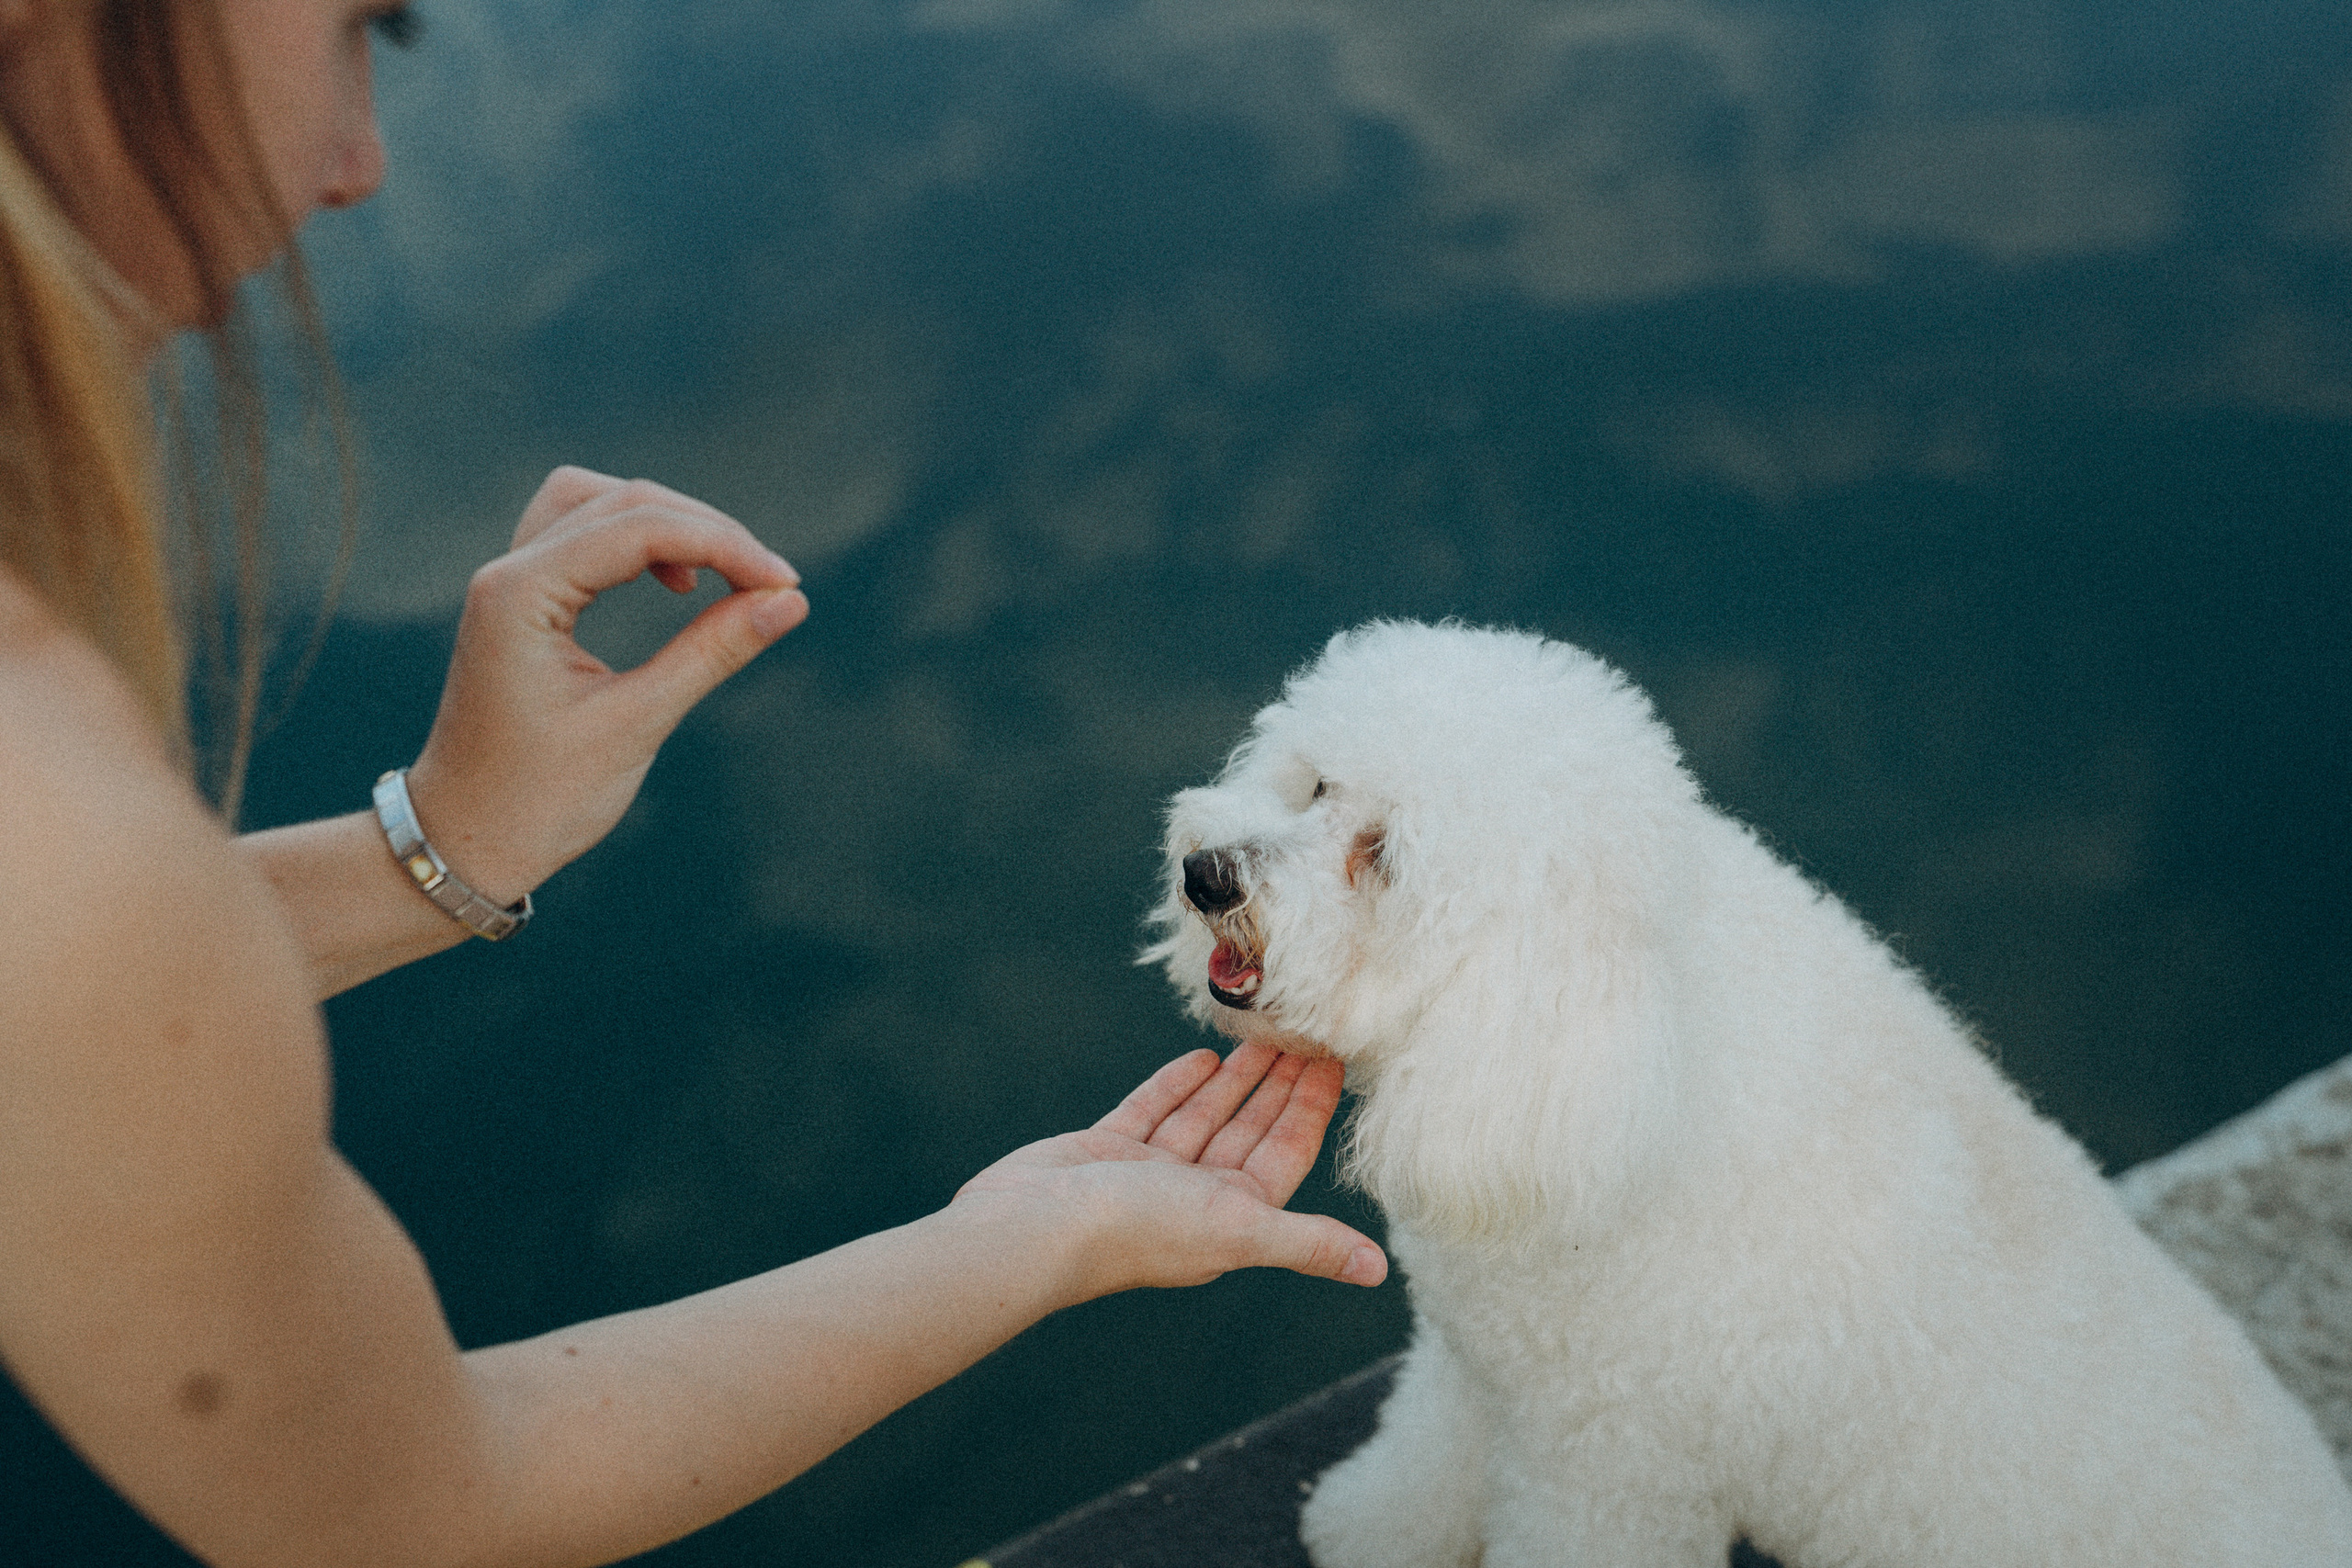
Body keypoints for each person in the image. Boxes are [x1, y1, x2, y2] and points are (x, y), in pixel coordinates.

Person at [0, 1, 1387, 1563]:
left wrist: (440, 846)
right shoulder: (47, 788)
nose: (361, 164)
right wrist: (1026, 1243)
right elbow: (407, 1503)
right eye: (360, 28)